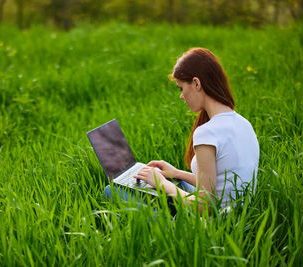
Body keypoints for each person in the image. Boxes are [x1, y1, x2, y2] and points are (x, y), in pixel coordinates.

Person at [105, 47, 260, 212]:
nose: (181, 96)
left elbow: (205, 206)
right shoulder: (243, 123)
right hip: (238, 218)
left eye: (181, 88)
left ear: (196, 83)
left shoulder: (207, 133)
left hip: (211, 225)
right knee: (174, 183)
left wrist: (162, 184)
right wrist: (177, 173)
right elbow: (219, 184)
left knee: (111, 191)